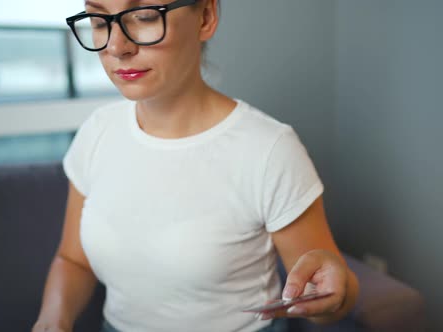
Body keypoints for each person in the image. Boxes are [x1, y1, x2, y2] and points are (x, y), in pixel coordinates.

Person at [32, 0, 359, 331]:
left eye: (144, 17)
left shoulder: (269, 150)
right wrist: (53, 318)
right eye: (99, 22)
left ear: (206, 17)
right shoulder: (97, 132)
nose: (117, 46)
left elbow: (325, 303)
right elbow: (73, 260)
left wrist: (336, 289)